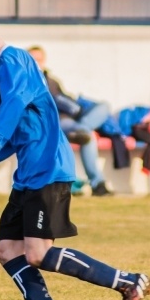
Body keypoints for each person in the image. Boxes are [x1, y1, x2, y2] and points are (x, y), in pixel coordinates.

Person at [0, 0, 150, 300]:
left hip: (48, 170)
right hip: (29, 173)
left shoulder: (15, 60)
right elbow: (15, 132)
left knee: (37, 253)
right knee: (8, 250)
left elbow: (10, 111)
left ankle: (129, 281)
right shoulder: (2, 68)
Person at [27, 45, 113, 197]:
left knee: (104, 107)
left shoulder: (53, 81)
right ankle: (97, 184)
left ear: (44, 61)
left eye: (39, 59)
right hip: (55, 122)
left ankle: (81, 128)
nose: (36, 62)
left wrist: (77, 106)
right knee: (88, 135)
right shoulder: (26, 82)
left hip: (72, 118)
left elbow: (65, 100)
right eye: (32, 59)